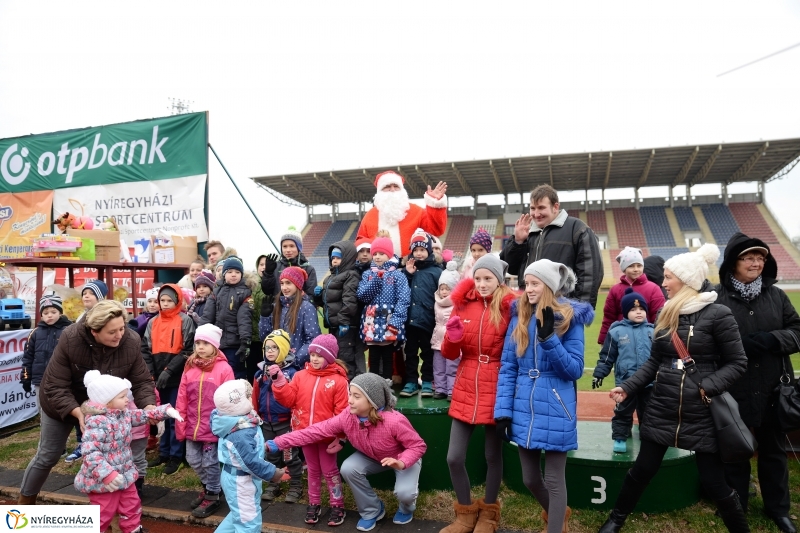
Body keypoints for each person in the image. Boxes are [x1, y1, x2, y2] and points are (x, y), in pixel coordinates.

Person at [599, 244, 749, 533]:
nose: (663, 283)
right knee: (641, 471)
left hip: (703, 413)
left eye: (668, 277)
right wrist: (628, 388)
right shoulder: (668, 312)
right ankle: (615, 520)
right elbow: (655, 360)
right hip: (662, 408)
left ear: (688, 280)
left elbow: (737, 362)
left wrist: (709, 385)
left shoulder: (719, 315)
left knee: (715, 482)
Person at [18, 300, 157, 505]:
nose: (119, 335)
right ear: (94, 331)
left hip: (104, 409)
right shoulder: (71, 338)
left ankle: (115, 518)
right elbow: (56, 385)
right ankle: (25, 503)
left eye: (121, 328)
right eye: (112, 332)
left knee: (113, 460)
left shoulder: (130, 340)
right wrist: (76, 411)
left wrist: (149, 406)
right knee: (48, 454)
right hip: (61, 403)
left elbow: (142, 380)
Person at [495, 259, 593, 533]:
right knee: (529, 479)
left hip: (556, 404)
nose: (528, 289)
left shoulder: (571, 318)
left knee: (553, 479)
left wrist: (549, 339)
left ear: (549, 285)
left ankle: (555, 527)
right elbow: (508, 367)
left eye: (535, 283)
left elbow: (573, 369)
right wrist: (503, 411)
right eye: (526, 283)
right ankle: (557, 516)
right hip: (523, 405)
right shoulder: (519, 316)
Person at [268, 373, 427, 532]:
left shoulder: (394, 420)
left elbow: (418, 446)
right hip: (372, 457)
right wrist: (277, 443)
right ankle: (372, 509)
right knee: (348, 468)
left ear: (372, 401)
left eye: (356, 396)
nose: (350, 400)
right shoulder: (347, 417)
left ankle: (406, 508)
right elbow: (314, 431)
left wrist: (402, 462)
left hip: (402, 458)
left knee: (405, 493)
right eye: (350, 394)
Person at [716, 233, 800, 533]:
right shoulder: (716, 297)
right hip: (732, 386)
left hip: (772, 388)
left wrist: (771, 340)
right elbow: (705, 340)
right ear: (733, 263)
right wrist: (735, 346)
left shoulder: (777, 296)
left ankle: (778, 510)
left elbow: (798, 332)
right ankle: (735, 504)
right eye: (749, 257)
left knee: (774, 451)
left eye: (761, 258)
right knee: (734, 450)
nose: (756, 263)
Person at [439, 254, 517, 533]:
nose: (482, 284)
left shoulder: (510, 307)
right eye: (478, 278)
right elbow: (450, 354)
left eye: (488, 278)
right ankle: (465, 514)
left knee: (492, 456)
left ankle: (489, 514)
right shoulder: (463, 305)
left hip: (497, 386)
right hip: (466, 384)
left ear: (499, 280)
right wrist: (453, 336)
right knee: (454, 457)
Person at [74, 370, 181, 533]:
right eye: (122, 396)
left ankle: (133, 529)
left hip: (124, 473)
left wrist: (164, 411)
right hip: (103, 479)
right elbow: (90, 453)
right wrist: (108, 475)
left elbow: (141, 415)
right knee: (103, 512)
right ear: (107, 401)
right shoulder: (97, 422)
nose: (127, 399)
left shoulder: (121, 414)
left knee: (131, 504)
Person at [272, 335, 350, 527]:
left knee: (330, 470)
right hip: (305, 433)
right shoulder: (300, 376)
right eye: (312, 354)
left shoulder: (339, 381)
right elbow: (289, 400)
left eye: (319, 355)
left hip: (327, 437)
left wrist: (340, 437)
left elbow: (343, 413)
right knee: (313, 470)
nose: (314, 358)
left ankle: (337, 505)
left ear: (330, 357)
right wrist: (280, 383)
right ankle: (314, 503)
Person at [500, 184, 602, 307]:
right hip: (528, 308)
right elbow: (510, 268)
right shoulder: (527, 233)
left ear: (555, 207)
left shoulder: (577, 229)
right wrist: (518, 242)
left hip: (561, 309)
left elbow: (590, 273)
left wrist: (579, 309)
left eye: (541, 208)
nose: (536, 214)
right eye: (532, 208)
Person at [175, 323, 234, 518]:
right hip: (192, 425)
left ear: (215, 346)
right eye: (197, 343)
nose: (200, 347)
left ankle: (213, 495)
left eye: (205, 343)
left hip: (212, 428)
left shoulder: (224, 369)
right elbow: (182, 397)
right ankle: (211, 487)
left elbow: (229, 399)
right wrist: (180, 421)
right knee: (193, 459)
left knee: (210, 463)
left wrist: (225, 424)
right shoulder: (189, 367)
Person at [211, 379, 285, 533]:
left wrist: (261, 447)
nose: (252, 398)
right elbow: (249, 460)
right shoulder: (240, 432)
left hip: (240, 478)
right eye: (248, 396)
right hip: (241, 481)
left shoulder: (234, 420)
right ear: (238, 403)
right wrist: (273, 473)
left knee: (239, 516)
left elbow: (247, 451)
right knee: (248, 523)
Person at [142, 284, 196, 475]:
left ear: (177, 301)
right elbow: (146, 349)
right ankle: (163, 452)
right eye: (162, 300)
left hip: (177, 377)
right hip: (158, 378)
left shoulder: (185, 320)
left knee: (175, 416)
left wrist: (168, 371)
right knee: (160, 416)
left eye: (169, 301)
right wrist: (152, 373)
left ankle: (176, 455)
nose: (165, 304)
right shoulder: (152, 322)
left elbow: (188, 349)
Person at [593, 288, 654, 453]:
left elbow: (660, 358)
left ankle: (647, 436)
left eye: (641, 309)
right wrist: (599, 373)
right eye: (633, 310)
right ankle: (620, 437)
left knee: (649, 413)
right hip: (625, 383)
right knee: (623, 412)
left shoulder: (653, 331)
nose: (638, 312)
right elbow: (607, 356)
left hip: (649, 383)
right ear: (625, 312)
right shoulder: (616, 332)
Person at [252, 329, 303, 503]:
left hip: (285, 422)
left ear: (283, 349)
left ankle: (296, 485)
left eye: (275, 347)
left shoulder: (293, 373)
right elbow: (255, 396)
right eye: (267, 348)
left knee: (290, 455)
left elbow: (296, 398)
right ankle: (274, 483)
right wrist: (255, 414)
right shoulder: (260, 373)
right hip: (267, 422)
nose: (270, 351)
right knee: (271, 455)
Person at [356, 170, 448, 257]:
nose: (392, 190)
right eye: (387, 186)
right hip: (378, 268)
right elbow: (361, 242)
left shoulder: (415, 210)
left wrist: (435, 204)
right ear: (380, 191)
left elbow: (436, 230)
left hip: (409, 267)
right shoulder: (370, 215)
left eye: (396, 186)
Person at [357, 236, 411, 380]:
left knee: (388, 356)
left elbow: (404, 299)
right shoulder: (368, 274)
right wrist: (376, 279)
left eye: (381, 253)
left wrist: (396, 321)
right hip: (371, 321)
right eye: (374, 254)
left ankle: (387, 384)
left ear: (389, 254)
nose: (377, 257)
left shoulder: (398, 275)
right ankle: (374, 384)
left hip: (389, 321)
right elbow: (362, 296)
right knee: (373, 357)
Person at [314, 240, 363, 379]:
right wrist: (318, 296)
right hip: (333, 325)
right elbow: (328, 302)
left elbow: (349, 300)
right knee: (335, 357)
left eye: (338, 257)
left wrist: (344, 321)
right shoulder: (329, 278)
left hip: (346, 325)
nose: (334, 260)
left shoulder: (350, 275)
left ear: (346, 258)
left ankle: (350, 387)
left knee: (346, 358)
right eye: (333, 258)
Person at [400, 229, 440, 397]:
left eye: (422, 250)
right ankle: (411, 381)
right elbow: (401, 290)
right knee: (410, 352)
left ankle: (428, 381)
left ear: (429, 251)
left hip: (428, 319)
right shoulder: (407, 271)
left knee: (427, 352)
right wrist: (408, 275)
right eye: (415, 250)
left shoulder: (436, 271)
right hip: (410, 320)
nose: (419, 253)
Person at [200, 256, 254, 380]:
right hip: (216, 342)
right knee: (216, 374)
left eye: (237, 272)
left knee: (234, 373)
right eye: (229, 272)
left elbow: (244, 319)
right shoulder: (217, 291)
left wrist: (245, 342)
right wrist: (200, 336)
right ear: (224, 274)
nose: (233, 275)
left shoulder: (245, 293)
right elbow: (207, 316)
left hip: (234, 344)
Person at [598, 246, 665, 345]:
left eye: (639, 265)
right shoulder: (615, 290)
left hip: (647, 341)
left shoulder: (653, 288)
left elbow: (659, 317)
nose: (636, 269)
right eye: (631, 266)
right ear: (624, 269)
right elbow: (609, 317)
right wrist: (603, 340)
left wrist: (659, 341)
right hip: (622, 341)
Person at [258, 266, 320, 367]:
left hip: (297, 367)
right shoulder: (276, 306)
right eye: (282, 283)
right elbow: (265, 338)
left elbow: (313, 339)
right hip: (276, 365)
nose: (284, 288)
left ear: (298, 285)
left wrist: (292, 360)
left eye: (288, 283)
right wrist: (264, 318)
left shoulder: (307, 308)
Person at [20, 294, 72, 394]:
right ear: (41, 315)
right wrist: (26, 378)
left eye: (53, 312)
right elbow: (27, 357)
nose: (49, 315)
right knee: (42, 407)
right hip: (40, 380)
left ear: (60, 313)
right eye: (45, 313)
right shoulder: (35, 333)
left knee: (60, 407)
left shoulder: (68, 331)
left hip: (62, 381)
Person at [260, 229, 319, 304]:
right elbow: (267, 291)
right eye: (285, 246)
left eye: (292, 246)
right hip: (279, 311)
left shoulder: (308, 268)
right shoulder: (275, 267)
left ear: (299, 247)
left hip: (300, 312)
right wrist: (268, 273)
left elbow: (311, 295)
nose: (288, 250)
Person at [431, 261, 459, 400]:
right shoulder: (436, 302)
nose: (444, 292)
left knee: (451, 367)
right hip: (438, 339)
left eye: (447, 289)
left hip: (451, 340)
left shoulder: (457, 304)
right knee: (438, 366)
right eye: (442, 288)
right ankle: (440, 389)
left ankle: (451, 390)